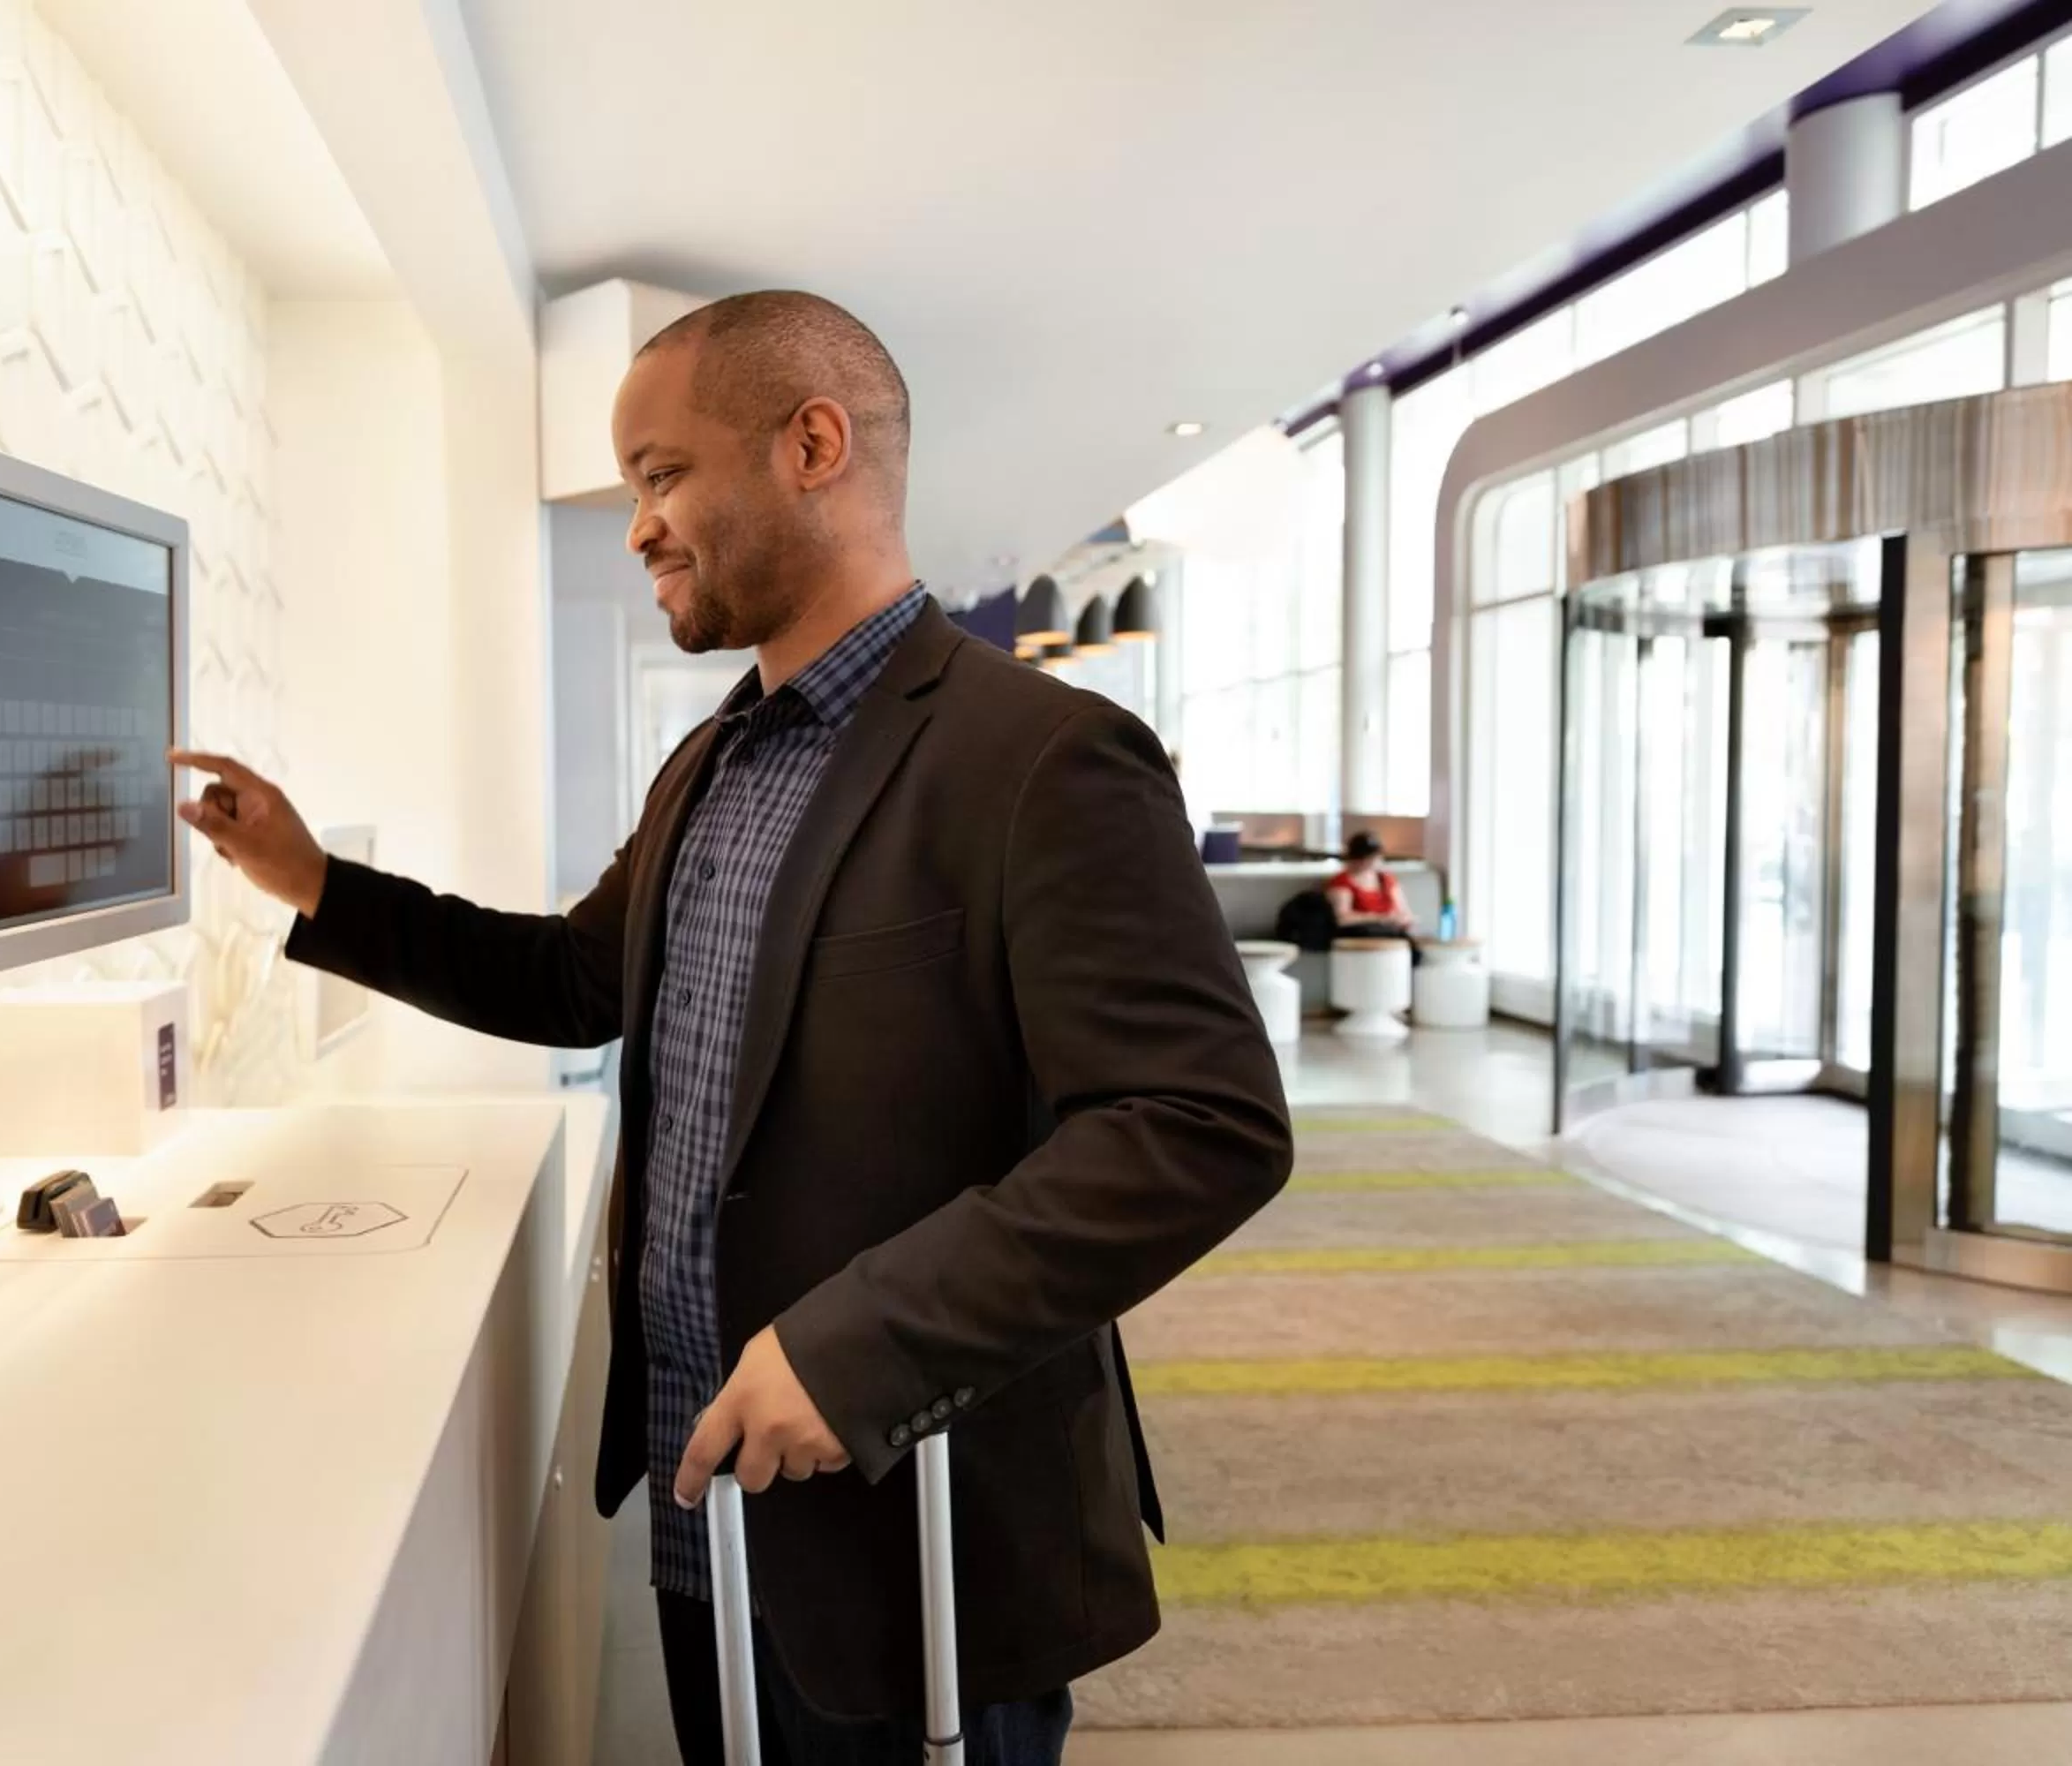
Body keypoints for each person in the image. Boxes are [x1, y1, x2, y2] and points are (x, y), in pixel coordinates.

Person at [173, 291, 1291, 1766]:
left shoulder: (1043, 759)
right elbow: (573, 980)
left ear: (812, 446)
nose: (639, 526)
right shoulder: (706, 764)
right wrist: (317, 882)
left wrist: (860, 1349)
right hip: (712, 1513)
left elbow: (1198, 1126)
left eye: (661, 475)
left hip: (916, 1534)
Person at [1326, 832, 1415, 939]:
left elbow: (1404, 911)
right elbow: (1343, 918)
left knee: (1405, 940)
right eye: (1365, 857)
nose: (1369, 861)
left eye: (1373, 857)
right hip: (1361, 933)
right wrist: (1380, 918)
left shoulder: (1386, 879)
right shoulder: (1342, 882)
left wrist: (1402, 919)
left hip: (1390, 930)